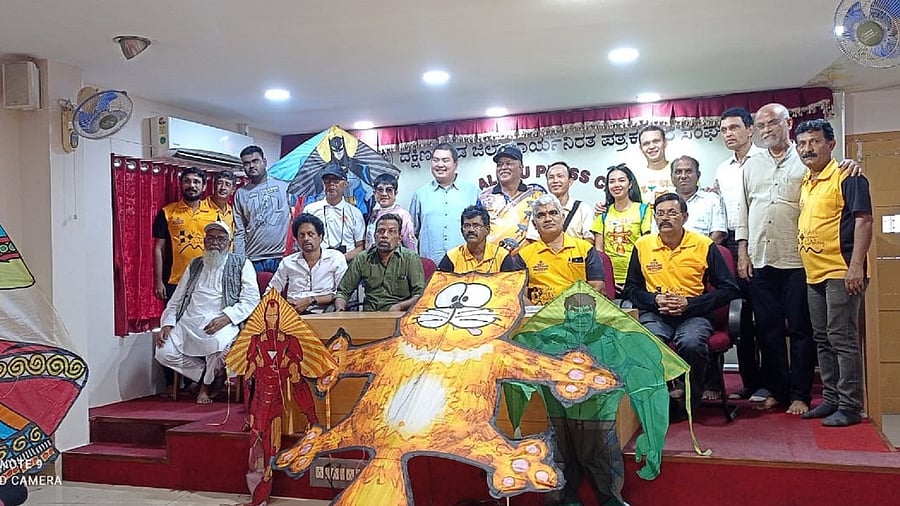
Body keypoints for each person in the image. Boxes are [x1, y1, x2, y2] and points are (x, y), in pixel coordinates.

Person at [735, 103, 860, 415]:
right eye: (761, 125)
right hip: (760, 258)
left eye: (772, 123)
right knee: (768, 330)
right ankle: (777, 390)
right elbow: (743, 210)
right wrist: (742, 252)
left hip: (799, 260)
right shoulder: (751, 165)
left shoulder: (805, 158)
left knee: (803, 330)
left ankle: (800, 395)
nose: (766, 130)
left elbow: (834, 175)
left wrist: (851, 164)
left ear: (787, 123)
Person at [624, 193, 740, 412]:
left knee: (692, 343)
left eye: (672, 213)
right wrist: (655, 300)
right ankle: (658, 401)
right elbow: (631, 289)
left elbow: (729, 289)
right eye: (660, 214)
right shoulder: (642, 245)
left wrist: (690, 303)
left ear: (685, 217)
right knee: (649, 342)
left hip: (693, 314)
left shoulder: (703, 245)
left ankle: (690, 401)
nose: (665, 218)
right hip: (656, 314)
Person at [794, 119, 872, 427]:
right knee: (823, 338)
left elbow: (864, 221)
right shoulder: (807, 180)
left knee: (842, 338)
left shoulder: (848, 176)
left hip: (841, 271)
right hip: (814, 274)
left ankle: (850, 406)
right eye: (802, 143)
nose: (807, 149)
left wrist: (856, 266)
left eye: (814, 142)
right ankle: (831, 400)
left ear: (831, 144)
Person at [154, 221, 260, 404]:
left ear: (229, 243)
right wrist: (168, 323)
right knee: (163, 352)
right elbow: (177, 299)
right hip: (189, 322)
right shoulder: (195, 264)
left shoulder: (242, 263)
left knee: (219, 345)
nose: (215, 243)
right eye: (210, 238)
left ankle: (205, 386)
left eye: (221, 239)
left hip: (221, 319)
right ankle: (205, 374)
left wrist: (227, 318)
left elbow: (251, 299)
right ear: (204, 241)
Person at [713, 107, 764, 401]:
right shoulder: (723, 168)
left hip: (760, 241)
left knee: (765, 315)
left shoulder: (764, 161)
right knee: (740, 316)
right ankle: (749, 381)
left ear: (750, 129)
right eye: (724, 130)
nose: (728, 134)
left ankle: (771, 383)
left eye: (734, 128)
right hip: (730, 243)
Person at [502, 194, 605, 305]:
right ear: (534, 224)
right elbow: (519, 295)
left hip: (578, 311)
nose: (548, 219)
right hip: (539, 313)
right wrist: (540, 314)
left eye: (553, 213)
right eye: (541, 215)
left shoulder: (585, 249)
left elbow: (597, 288)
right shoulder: (523, 255)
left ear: (563, 218)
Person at [334, 213, 425, 312]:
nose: (384, 236)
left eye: (391, 231)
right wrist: (340, 308)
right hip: (370, 315)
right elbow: (343, 292)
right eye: (380, 231)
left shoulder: (410, 259)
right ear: (375, 235)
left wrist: (399, 307)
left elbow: (420, 295)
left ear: (399, 237)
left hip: (399, 315)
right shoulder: (363, 258)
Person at [153, 167, 218, 301]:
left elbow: (218, 248)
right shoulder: (167, 212)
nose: (191, 185)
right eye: (187, 181)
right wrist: (158, 281)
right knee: (174, 315)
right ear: (181, 184)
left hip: (205, 280)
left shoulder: (214, 215)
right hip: (175, 281)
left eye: (196, 182)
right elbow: (158, 249)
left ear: (204, 186)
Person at [409, 143, 480, 263]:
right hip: (431, 264)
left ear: (455, 164)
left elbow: (481, 230)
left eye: (445, 160)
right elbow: (413, 232)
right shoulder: (420, 195)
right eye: (435, 160)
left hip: (466, 263)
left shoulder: (473, 192)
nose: (440, 165)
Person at [267, 213, 348, 315]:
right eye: (301, 235)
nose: (306, 238)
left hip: (325, 314)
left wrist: (311, 300)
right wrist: (283, 303)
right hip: (292, 315)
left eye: (311, 234)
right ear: (296, 239)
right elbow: (271, 292)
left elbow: (342, 293)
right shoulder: (288, 262)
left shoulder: (335, 258)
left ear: (320, 237)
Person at [591, 164, 652, 297]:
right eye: (612, 181)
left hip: (636, 278)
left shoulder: (644, 210)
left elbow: (646, 246)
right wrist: (607, 279)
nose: (616, 185)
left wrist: (632, 281)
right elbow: (599, 252)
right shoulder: (603, 213)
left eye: (621, 180)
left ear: (630, 184)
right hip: (609, 278)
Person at [233, 145, 294, 273]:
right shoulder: (241, 193)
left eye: (255, 161)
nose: (251, 166)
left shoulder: (285, 186)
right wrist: (239, 261)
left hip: (282, 256)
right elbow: (239, 231)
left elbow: (296, 218)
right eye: (246, 163)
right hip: (253, 258)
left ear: (264, 162)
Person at [478, 142, 546, 248]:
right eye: (499, 164)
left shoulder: (536, 194)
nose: (503, 167)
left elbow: (546, 227)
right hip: (493, 256)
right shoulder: (484, 198)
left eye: (508, 163)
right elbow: (478, 231)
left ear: (520, 167)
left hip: (530, 254)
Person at [302, 165, 366, 262]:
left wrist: (341, 259)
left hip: (347, 263)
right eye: (327, 180)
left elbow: (360, 246)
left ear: (346, 184)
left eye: (336, 180)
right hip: (318, 263)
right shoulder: (310, 210)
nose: (331, 184)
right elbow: (302, 240)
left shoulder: (355, 213)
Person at [525, 161, 593, 241]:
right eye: (551, 177)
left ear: (570, 181)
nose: (555, 180)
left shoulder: (583, 208)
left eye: (560, 176)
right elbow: (533, 239)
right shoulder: (538, 209)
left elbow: (589, 240)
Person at [671, 155, 727, 243]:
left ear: (698, 175)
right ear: (671, 177)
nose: (683, 176)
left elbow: (718, 235)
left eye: (688, 171)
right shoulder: (664, 202)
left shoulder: (712, 199)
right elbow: (655, 235)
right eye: (678, 172)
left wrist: (698, 250)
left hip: (703, 250)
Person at [437, 206, 509, 274]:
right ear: (462, 230)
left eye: (476, 225)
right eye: (467, 226)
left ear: (487, 230)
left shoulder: (502, 256)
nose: (471, 230)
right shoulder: (452, 257)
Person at [364, 174, 417, 251]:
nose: (384, 194)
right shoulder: (372, 214)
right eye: (380, 190)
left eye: (389, 190)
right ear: (375, 193)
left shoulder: (403, 215)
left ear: (395, 193)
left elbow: (409, 244)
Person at [633, 125, 675, 203]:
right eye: (646, 143)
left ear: (665, 143)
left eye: (656, 141)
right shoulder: (635, 177)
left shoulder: (680, 170)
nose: (651, 146)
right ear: (641, 148)